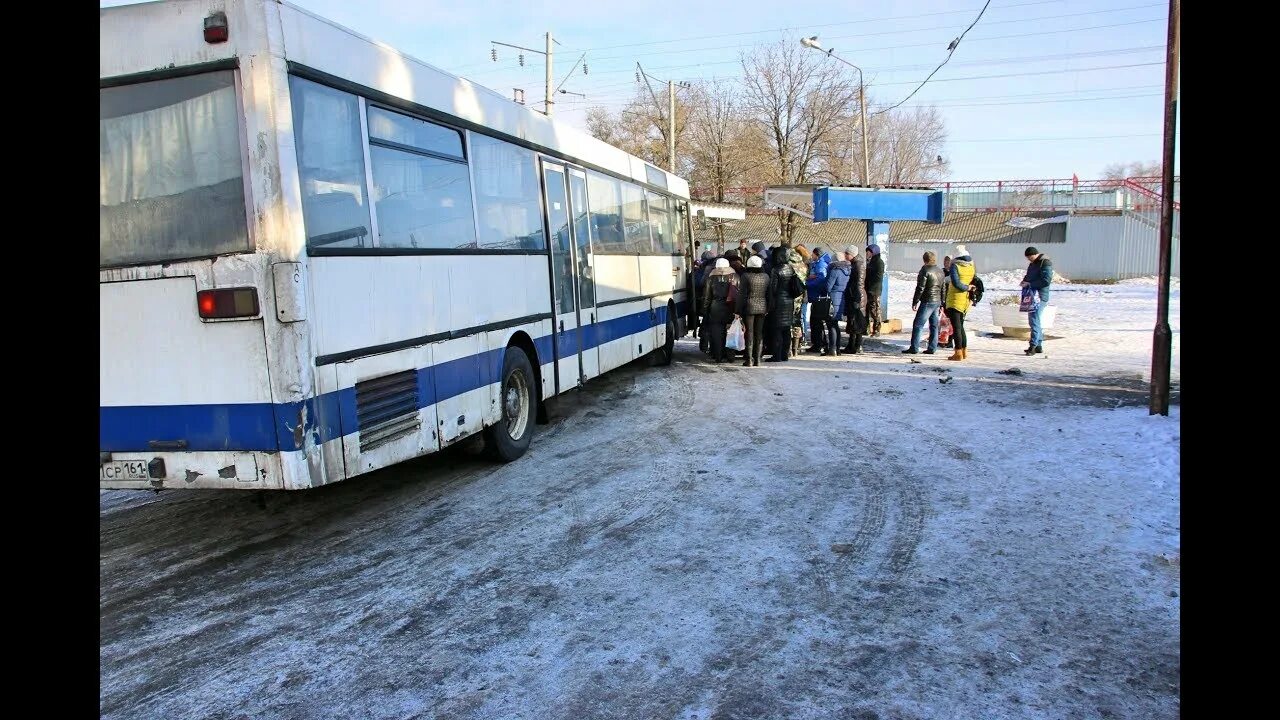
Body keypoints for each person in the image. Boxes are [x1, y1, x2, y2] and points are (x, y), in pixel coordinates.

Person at [765, 246, 804, 362]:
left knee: (777, 330)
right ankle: (784, 355)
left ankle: (776, 355)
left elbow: (773, 289)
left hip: (778, 302)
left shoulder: (775, 270)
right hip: (789, 301)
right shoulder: (790, 268)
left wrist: (770, 305)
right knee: (786, 329)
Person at [903, 251, 944, 355]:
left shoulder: (924, 270)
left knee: (918, 324)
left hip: (927, 300)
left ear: (924, 259)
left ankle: (914, 347)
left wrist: (915, 301)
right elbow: (943, 288)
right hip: (937, 301)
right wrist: (942, 303)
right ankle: (932, 347)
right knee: (934, 325)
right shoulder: (940, 271)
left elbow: (920, 287)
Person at [701, 258, 740, 363]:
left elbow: (707, 297)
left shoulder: (710, 278)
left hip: (715, 308)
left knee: (717, 333)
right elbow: (739, 294)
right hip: (731, 307)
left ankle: (718, 356)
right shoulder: (735, 276)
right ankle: (731, 356)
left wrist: (705, 310)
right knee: (731, 332)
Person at [736, 255, 771, 366]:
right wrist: (768, 307)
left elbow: (741, 295)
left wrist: (738, 310)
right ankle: (758, 359)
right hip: (762, 307)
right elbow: (769, 294)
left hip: (749, 307)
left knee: (749, 333)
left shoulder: (746, 276)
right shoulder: (766, 276)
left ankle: (749, 359)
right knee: (759, 333)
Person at [945, 245, 977, 361]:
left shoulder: (955, 266)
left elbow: (956, 283)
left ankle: (958, 353)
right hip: (965, 300)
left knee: (956, 327)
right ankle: (964, 351)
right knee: (961, 326)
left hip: (955, 299)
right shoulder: (971, 265)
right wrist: (969, 288)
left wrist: (966, 287)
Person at [1021, 246, 1053, 356]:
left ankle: (1033, 346)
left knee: (1034, 320)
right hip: (1032, 295)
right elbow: (1029, 275)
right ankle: (1038, 346)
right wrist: (1024, 281)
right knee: (1035, 320)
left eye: (1030, 257)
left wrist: (1030, 284)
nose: (1029, 260)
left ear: (1035, 254)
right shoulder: (1033, 264)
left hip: (1039, 296)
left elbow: (1046, 281)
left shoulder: (1045, 263)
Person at [824, 247, 852, 355]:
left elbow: (828, 286)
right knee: (835, 324)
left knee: (831, 324)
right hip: (842, 299)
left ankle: (832, 349)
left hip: (833, 298)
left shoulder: (835, 270)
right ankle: (838, 348)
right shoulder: (847, 270)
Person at [805, 246, 833, 353]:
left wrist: (806, 283)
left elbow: (820, 279)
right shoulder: (818, 263)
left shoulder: (821, 265)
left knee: (816, 322)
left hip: (819, 297)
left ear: (817, 254)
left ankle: (818, 344)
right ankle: (818, 343)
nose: (811, 256)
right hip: (817, 297)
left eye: (813, 254)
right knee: (815, 322)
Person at [843, 243, 868, 354]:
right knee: (852, 321)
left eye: (847, 254)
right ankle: (851, 345)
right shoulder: (854, 264)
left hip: (857, 297)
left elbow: (859, 283)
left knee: (857, 322)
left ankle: (857, 346)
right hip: (854, 295)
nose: (845, 256)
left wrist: (857, 298)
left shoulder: (858, 265)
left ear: (852, 254)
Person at [793, 244, 812, 344]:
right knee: (802, 316)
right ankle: (802, 337)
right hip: (803, 293)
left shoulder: (795, 265)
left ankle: (799, 338)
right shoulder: (807, 264)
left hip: (797, 294)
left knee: (798, 317)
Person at [865, 244, 886, 337]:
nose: (867, 253)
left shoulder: (878, 262)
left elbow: (877, 277)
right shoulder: (871, 262)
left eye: (868, 252)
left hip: (874, 290)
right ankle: (867, 328)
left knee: (875, 310)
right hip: (869, 289)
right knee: (869, 309)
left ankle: (877, 329)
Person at [940, 255, 955, 348]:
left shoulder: (954, 273)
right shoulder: (941, 272)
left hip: (952, 300)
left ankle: (950, 340)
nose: (946, 263)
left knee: (951, 322)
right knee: (943, 322)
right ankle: (942, 340)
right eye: (945, 261)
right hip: (943, 300)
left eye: (948, 261)